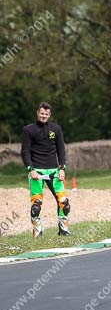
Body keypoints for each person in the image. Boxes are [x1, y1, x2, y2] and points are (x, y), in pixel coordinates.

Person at [20, 102, 70, 237]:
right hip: (37, 171)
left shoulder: (56, 129)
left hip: (54, 171)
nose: (44, 116)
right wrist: (31, 169)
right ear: (38, 113)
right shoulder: (28, 130)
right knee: (36, 205)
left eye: (46, 114)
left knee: (64, 203)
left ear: (50, 115)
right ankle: (37, 232)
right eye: (42, 113)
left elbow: (61, 151)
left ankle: (64, 230)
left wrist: (62, 169)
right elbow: (25, 152)